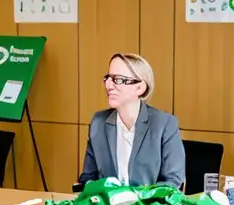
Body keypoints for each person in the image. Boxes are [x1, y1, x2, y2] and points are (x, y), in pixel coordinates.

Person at [78, 53, 185, 189]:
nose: (109, 85)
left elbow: (173, 181)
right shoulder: (98, 123)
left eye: (118, 80)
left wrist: (136, 200)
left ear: (140, 88)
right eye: (108, 78)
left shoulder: (164, 124)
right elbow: (87, 178)